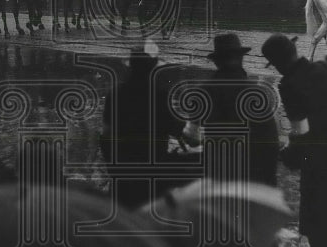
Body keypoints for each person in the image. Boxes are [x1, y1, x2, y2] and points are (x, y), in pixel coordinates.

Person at [262, 34, 327, 247]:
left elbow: (301, 133)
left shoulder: (289, 85)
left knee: (318, 230)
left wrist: (286, 155)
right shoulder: (326, 68)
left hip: (318, 164)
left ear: (278, 63)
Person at [100, 39, 194, 209]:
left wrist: (114, 169)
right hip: (152, 171)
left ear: (132, 66)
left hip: (123, 170)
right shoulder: (160, 95)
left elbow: (106, 137)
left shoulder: (116, 94)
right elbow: (175, 129)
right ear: (153, 68)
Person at [186, 33, 279, 187]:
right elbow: (271, 142)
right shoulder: (258, 93)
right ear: (241, 58)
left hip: (219, 176)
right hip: (254, 178)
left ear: (216, 62)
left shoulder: (203, 92)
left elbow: (191, 138)